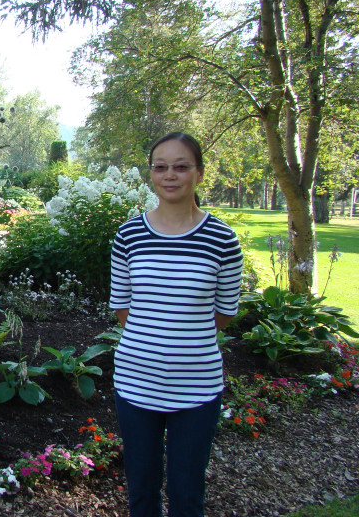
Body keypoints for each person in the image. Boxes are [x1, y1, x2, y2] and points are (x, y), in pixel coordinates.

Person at [109, 132, 243, 517]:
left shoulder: (223, 240)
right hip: (136, 385)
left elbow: (224, 313)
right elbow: (123, 308)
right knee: (142, 494)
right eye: (161, 166)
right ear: (151, 174)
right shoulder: (129, 236)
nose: (170, 175)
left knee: (187, 497)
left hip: (198, 389)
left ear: (199, 174)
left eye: (181, 166)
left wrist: (183, 336)